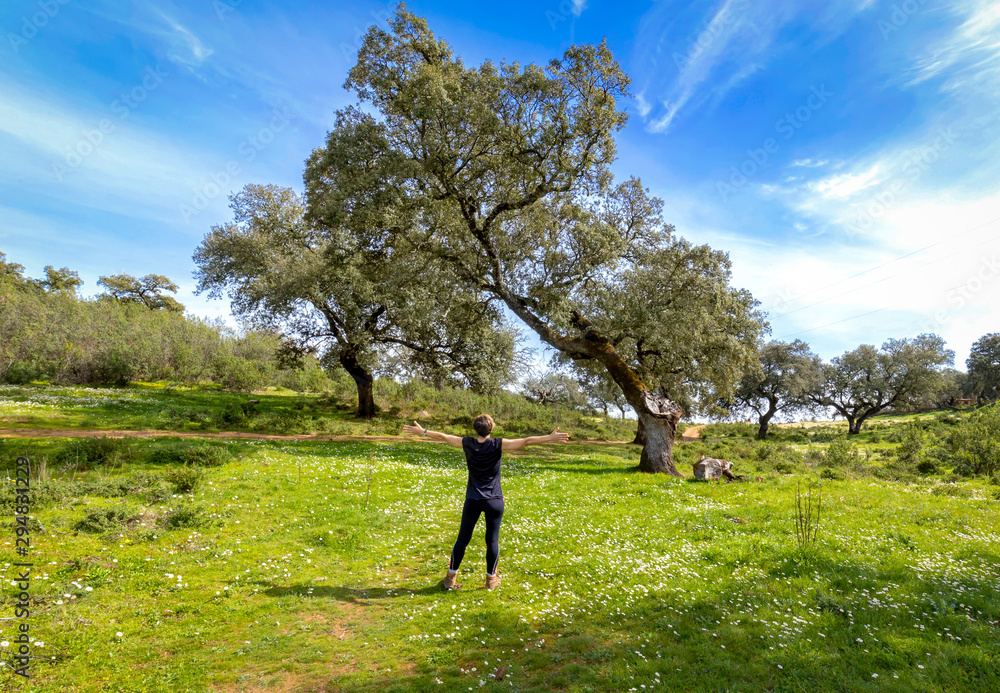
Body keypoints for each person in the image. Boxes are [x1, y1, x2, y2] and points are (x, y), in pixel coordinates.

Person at [402, 414, 570, 590]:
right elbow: (526, 441)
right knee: (492, 541)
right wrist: (550, 438)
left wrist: (423, 432)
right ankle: (491, 580)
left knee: (462, 539)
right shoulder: (498, 444)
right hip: (494, 500)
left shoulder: (467, 443)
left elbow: (443, 437)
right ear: (492, 428)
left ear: (476, 429)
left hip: (473, 499)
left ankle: (450, 578)